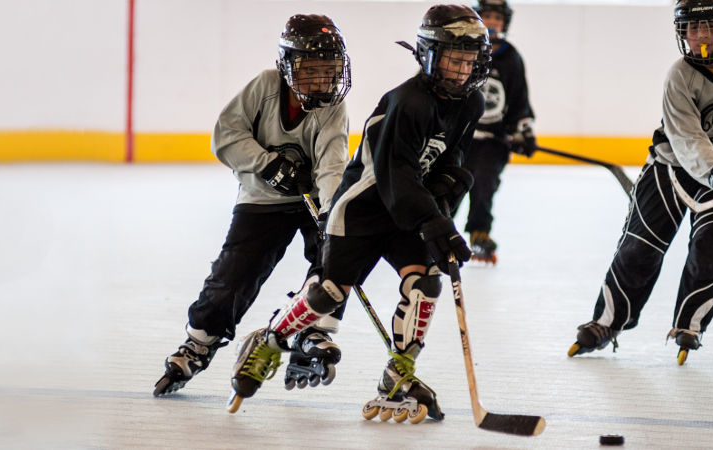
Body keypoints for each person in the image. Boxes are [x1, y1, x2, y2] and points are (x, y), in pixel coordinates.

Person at [226, 5, 489, 422]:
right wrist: (433, 220)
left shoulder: (470, 102)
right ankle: (270, 340)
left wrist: (449, 188)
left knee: (425, 284)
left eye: (468, 61)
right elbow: (395, 177)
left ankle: (398, 373)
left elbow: (449, 156)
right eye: (453, 59)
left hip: (406, 210)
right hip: (363, 210)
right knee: (327, 294)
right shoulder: (407, 102)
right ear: (428, 56)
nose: (461, 70)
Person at [152, 14, 352, 397]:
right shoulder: (264, 86)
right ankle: (198, 343)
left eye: (328, 70)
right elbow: (225, 137)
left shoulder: (333, 106)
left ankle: (314, 329)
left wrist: (331, 211)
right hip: (262, 199)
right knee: (233, 275)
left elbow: (332, 163)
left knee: (337, 259)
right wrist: (268, 164)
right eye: (310, 69)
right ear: (288, 66)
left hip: (313, 201)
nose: (320, 80)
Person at [568, 0, 713, 365]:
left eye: (711, 27)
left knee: (712, 248)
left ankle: (690, 326)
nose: (704, 36)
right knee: (639, 248)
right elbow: (687, 139)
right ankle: (607, 322)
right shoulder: (678, 76)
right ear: (683, 33)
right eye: (695, 29)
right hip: (670, 167)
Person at [459, 0, 536, 265]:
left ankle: (480, 233)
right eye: (487, 16)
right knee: (449, 183)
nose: (492, 22)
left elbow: (519, 102)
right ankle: (438, 229)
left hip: (493, 142)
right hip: (461, 138)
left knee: (484, 182)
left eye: (497, 18)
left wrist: (523, 132)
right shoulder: (462, 50)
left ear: (505, 22)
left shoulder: (511, 58)